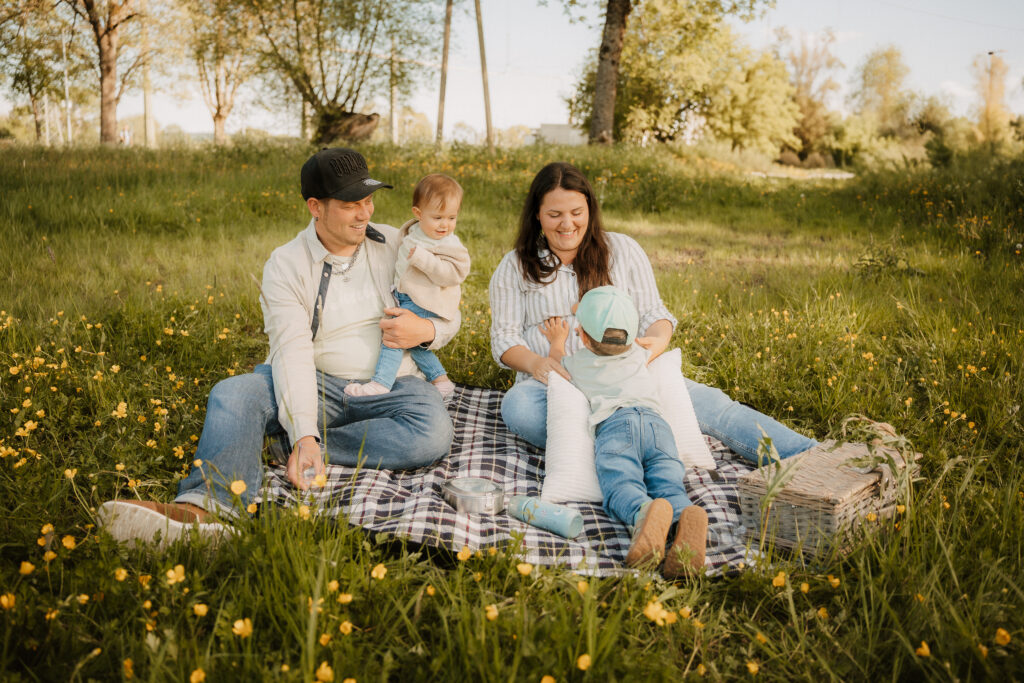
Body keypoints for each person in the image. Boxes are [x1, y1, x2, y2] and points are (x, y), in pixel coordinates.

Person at [97, 148, 458, 547]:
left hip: (393, 382)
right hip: (317, 381)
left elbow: (448, 307)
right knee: (234, 394)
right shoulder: (286, 264)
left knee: (433, 432)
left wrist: (425, 330)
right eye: (351, 205)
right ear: (315, 207)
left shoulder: (398, 242)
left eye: (369, 200)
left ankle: (280, 443)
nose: (365, 213)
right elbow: (292, 351)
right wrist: (306, 430)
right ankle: (210, 510)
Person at [488, 161, 818, 464]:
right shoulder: (515, 265)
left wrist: (656, 346)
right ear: (537, 215)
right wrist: (537, 364)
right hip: (555, 385)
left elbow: (653, 314)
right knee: (519, 409)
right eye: (555, 214)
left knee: (713, 406)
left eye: (576, 211)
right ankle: (639, 442)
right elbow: (504, 339)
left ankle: (808, 458)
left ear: (590, 208)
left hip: (627, 374)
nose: (567, 224)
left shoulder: (622, 250)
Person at [547, 285, 707, 577]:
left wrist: (557, 340)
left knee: (620, 483)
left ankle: (642, 512)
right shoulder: (638, 353)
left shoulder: (578, 363)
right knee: (668, 484)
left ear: (581, 335)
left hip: (616, 425)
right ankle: (685, 516)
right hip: (659, 428)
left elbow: (556, 364)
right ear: (632, 334)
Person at [345, 173, 469, 398]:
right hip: (407, 296)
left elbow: (456, 273)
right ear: (418, 214)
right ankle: (441, 381)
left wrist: (425, 260)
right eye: (438, 217)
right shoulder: (415, 231)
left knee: (395, 334)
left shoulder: (448, 243)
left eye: (452, 218)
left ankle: (381, 382)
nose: (445, 225)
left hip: (425, 299)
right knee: (412, 342)